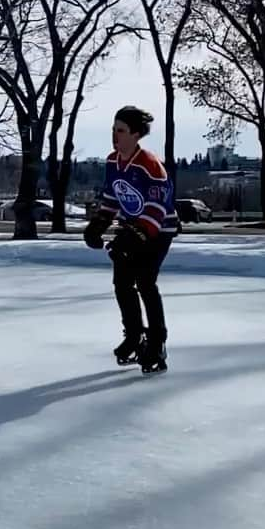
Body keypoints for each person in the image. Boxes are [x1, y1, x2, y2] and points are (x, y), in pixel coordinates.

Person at [83, 106, 178, 374]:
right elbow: (113, 197)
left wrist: (139, 234)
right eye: (113, 129)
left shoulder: (149, 164)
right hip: (132, 228)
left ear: (136, 134)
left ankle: (157, 343)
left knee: (145, 281)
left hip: (159, 230)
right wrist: (99, 224)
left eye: (121, 130)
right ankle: (135, 335)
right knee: (122, 282)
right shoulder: (113, 161)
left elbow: (158, 205)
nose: (115, 135)